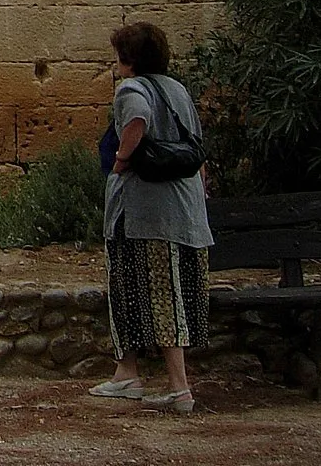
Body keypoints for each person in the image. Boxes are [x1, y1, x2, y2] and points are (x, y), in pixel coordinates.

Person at [88, 20, 212, 414]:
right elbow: (196, 145)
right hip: (185, 211)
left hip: (147, 214)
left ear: (128, 59)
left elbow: (137, 119)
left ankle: (179, 388)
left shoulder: (130, 88)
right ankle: (127, 372)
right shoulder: (177, 89)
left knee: (161, 296)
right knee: (135, 290)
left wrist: (122, 161)